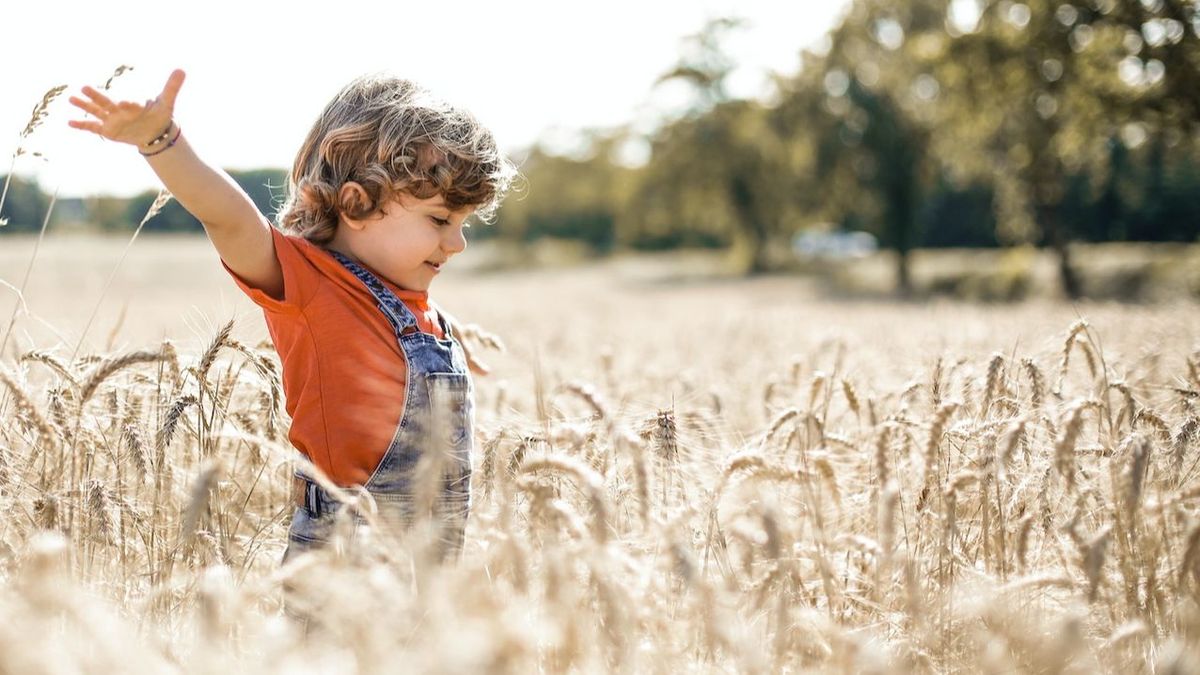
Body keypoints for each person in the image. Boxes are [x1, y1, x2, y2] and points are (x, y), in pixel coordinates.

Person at [67, 69, 516, 563]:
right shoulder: (309, 284)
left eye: (463, 223)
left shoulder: (415, 306)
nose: (458, 243)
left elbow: (393, 338)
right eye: (440, 220)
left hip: (431, 562)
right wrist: (161, 141)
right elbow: (230, 217)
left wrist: (447, 342)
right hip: (343, 557)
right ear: (356, 203)